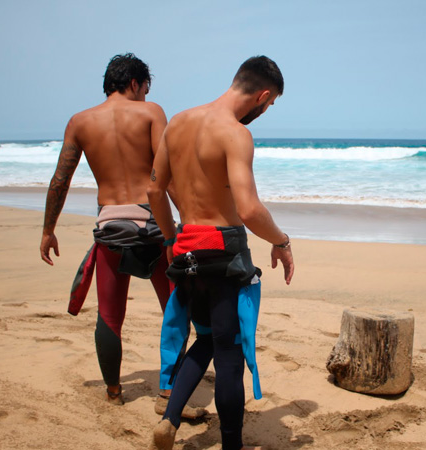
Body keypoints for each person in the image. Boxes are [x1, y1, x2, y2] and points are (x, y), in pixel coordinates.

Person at [147, 55, 294, 450]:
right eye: (271, 104)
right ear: (262, 95)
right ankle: (232, 444)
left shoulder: (177, 122)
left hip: (186, 248)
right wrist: (281, 241)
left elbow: (154, 191)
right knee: (230, 354)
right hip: (223, 250)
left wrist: (168, 239)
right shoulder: (235, 134)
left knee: (207, 337)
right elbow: (248, 210)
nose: (266, 111)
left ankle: (170, 419)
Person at [39, 53, 174, 406]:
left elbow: (60, 180)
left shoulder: (80, 121)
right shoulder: (152, 112)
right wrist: (187, 220)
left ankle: (114, 390)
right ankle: (169, 388)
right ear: (135, 84)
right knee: (174, 306)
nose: (145, 96)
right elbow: (165, 173)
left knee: (110, 315)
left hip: (110, 226)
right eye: (144, 89)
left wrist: (48, 230)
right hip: (154, 226)